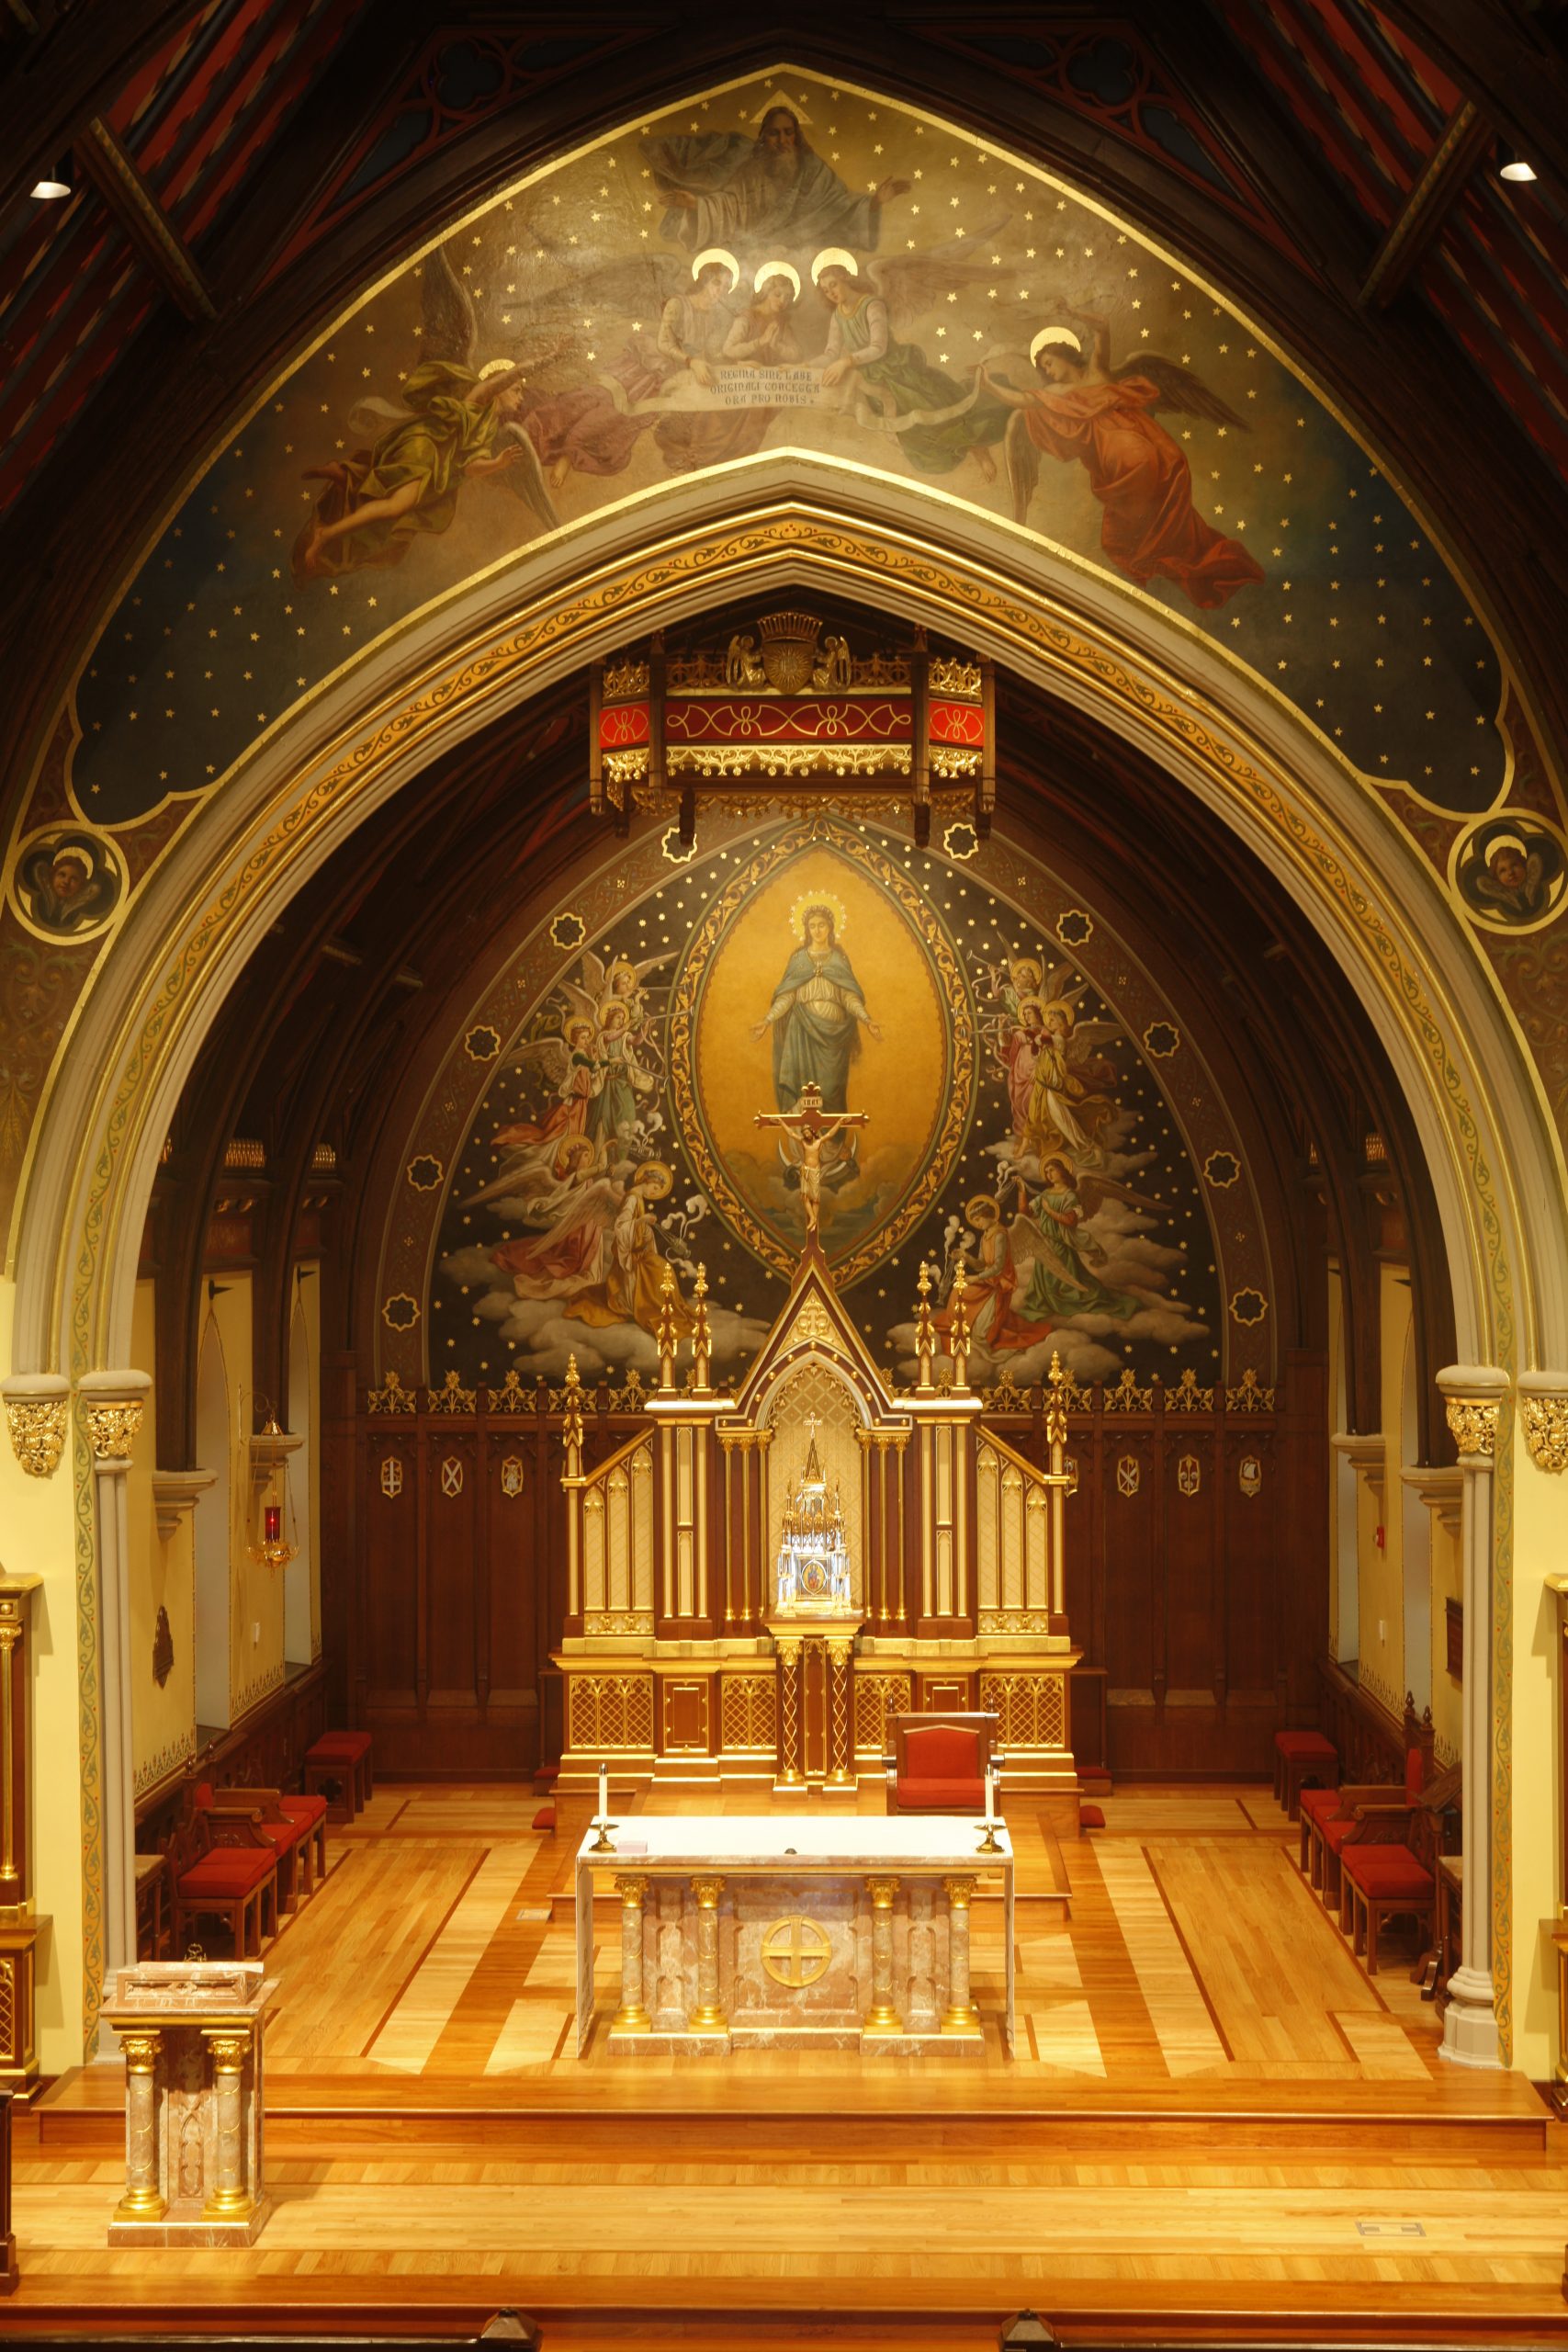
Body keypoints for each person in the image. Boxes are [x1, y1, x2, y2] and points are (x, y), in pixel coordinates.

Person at [977, 308, 1266, 611]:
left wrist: (1068, 311)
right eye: (1043, 368)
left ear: (1063, 353)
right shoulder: (1057, 392)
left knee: (1140, 491)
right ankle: (1192, 563)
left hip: (1137, 448)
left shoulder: (1097, 373)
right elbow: (1023, 400)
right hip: (1121, 463)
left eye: (1048, 362)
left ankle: (1179, 553)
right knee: (1123, 539)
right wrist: (989, 386)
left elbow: (1102, 327)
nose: (1047, 371)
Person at [293, 359, 547, 581]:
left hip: (435, 465)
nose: (521, 397)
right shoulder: (481, 397)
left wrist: (498, 464)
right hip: (425, 446)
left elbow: (469, 468)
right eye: (516, 389)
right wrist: (550, 357)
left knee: (389, 508)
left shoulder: (490, 427)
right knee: (397, 506)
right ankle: (325, 534)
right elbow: (509, 375)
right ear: (500, 387)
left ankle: (345, 474)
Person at [816, 259, 1006, 481]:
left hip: (897, 370)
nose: (831, 293)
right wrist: (801, 366)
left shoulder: (871, 305)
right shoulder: (837, 316)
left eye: (833, 285)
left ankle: (978, 449)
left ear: (846, 278)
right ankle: (964, 447)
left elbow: (878, 348)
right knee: (915, 437)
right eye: (826, 290)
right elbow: (830, 353)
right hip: (871, 378)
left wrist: (846, 362)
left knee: (933, 411)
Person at [646, 106, 908, 257]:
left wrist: (875, 202)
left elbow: (839, 207)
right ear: (764, 138)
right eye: (774, 134)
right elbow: (730, 206)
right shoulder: (751, 170)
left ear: (796, 136)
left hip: (800, 259)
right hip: (753, 256)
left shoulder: (814, 171)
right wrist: (696, 205)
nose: (782, 140)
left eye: (788, 133)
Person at [752, 904, 881, 1123]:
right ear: (806, 929)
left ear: (830, 927)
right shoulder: (798, 960)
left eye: (821, 925)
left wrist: (867, 1020)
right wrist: (767, 1020)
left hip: (834, 1040)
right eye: (812, 926)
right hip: (801, 1033)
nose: (817, 930)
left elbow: (849, 997)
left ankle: (830, 1142)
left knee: (832, 1091)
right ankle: (803, 1139)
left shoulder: (839, 961)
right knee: (803, 1092)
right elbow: (787, 997)